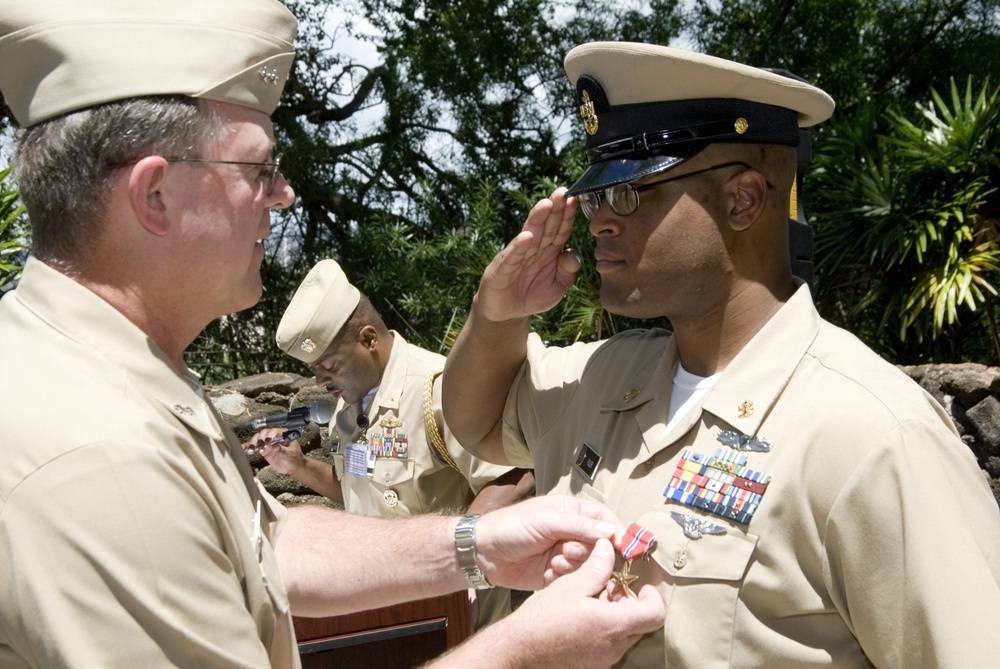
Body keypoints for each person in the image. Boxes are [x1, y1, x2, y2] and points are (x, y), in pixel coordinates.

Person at [0, 5, 664, 667]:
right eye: (258, 170)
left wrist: (476, 543)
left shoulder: (102, 373)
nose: (283, 195)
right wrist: (531, 649)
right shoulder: (104, 454)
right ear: (156, 196)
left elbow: (269, 547)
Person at [442, 41, 1000, 668]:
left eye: (630, 191)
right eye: (598, 196)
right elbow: (478, 422)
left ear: (742, 200)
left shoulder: (872, 435)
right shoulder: (608, 375)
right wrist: (497, 314)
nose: (599, 222)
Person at [247, 257, 535, 629]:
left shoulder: (439, 390)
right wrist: (298, 466)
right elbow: (355, 488)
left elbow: (515, 477)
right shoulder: (346, 411)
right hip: (387, 610)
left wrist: (449, 555)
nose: (320, 381)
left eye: (329, 365)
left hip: (456, 614)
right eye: (314, 368)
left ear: (368, 339)